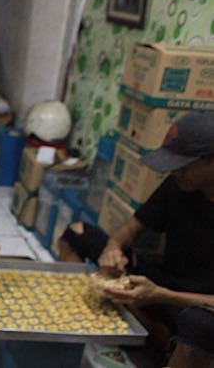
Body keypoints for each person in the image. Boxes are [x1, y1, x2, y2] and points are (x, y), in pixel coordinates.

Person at [59, 111, 214, 346]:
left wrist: (160, 294)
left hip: (198, 305)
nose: (175, 172)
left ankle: (158, 337)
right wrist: (113, 249)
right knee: (77, 232)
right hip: (163, 286)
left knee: (198, 323)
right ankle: (150, 329)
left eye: (183, 167)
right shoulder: (179, 185)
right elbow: (131, 228)